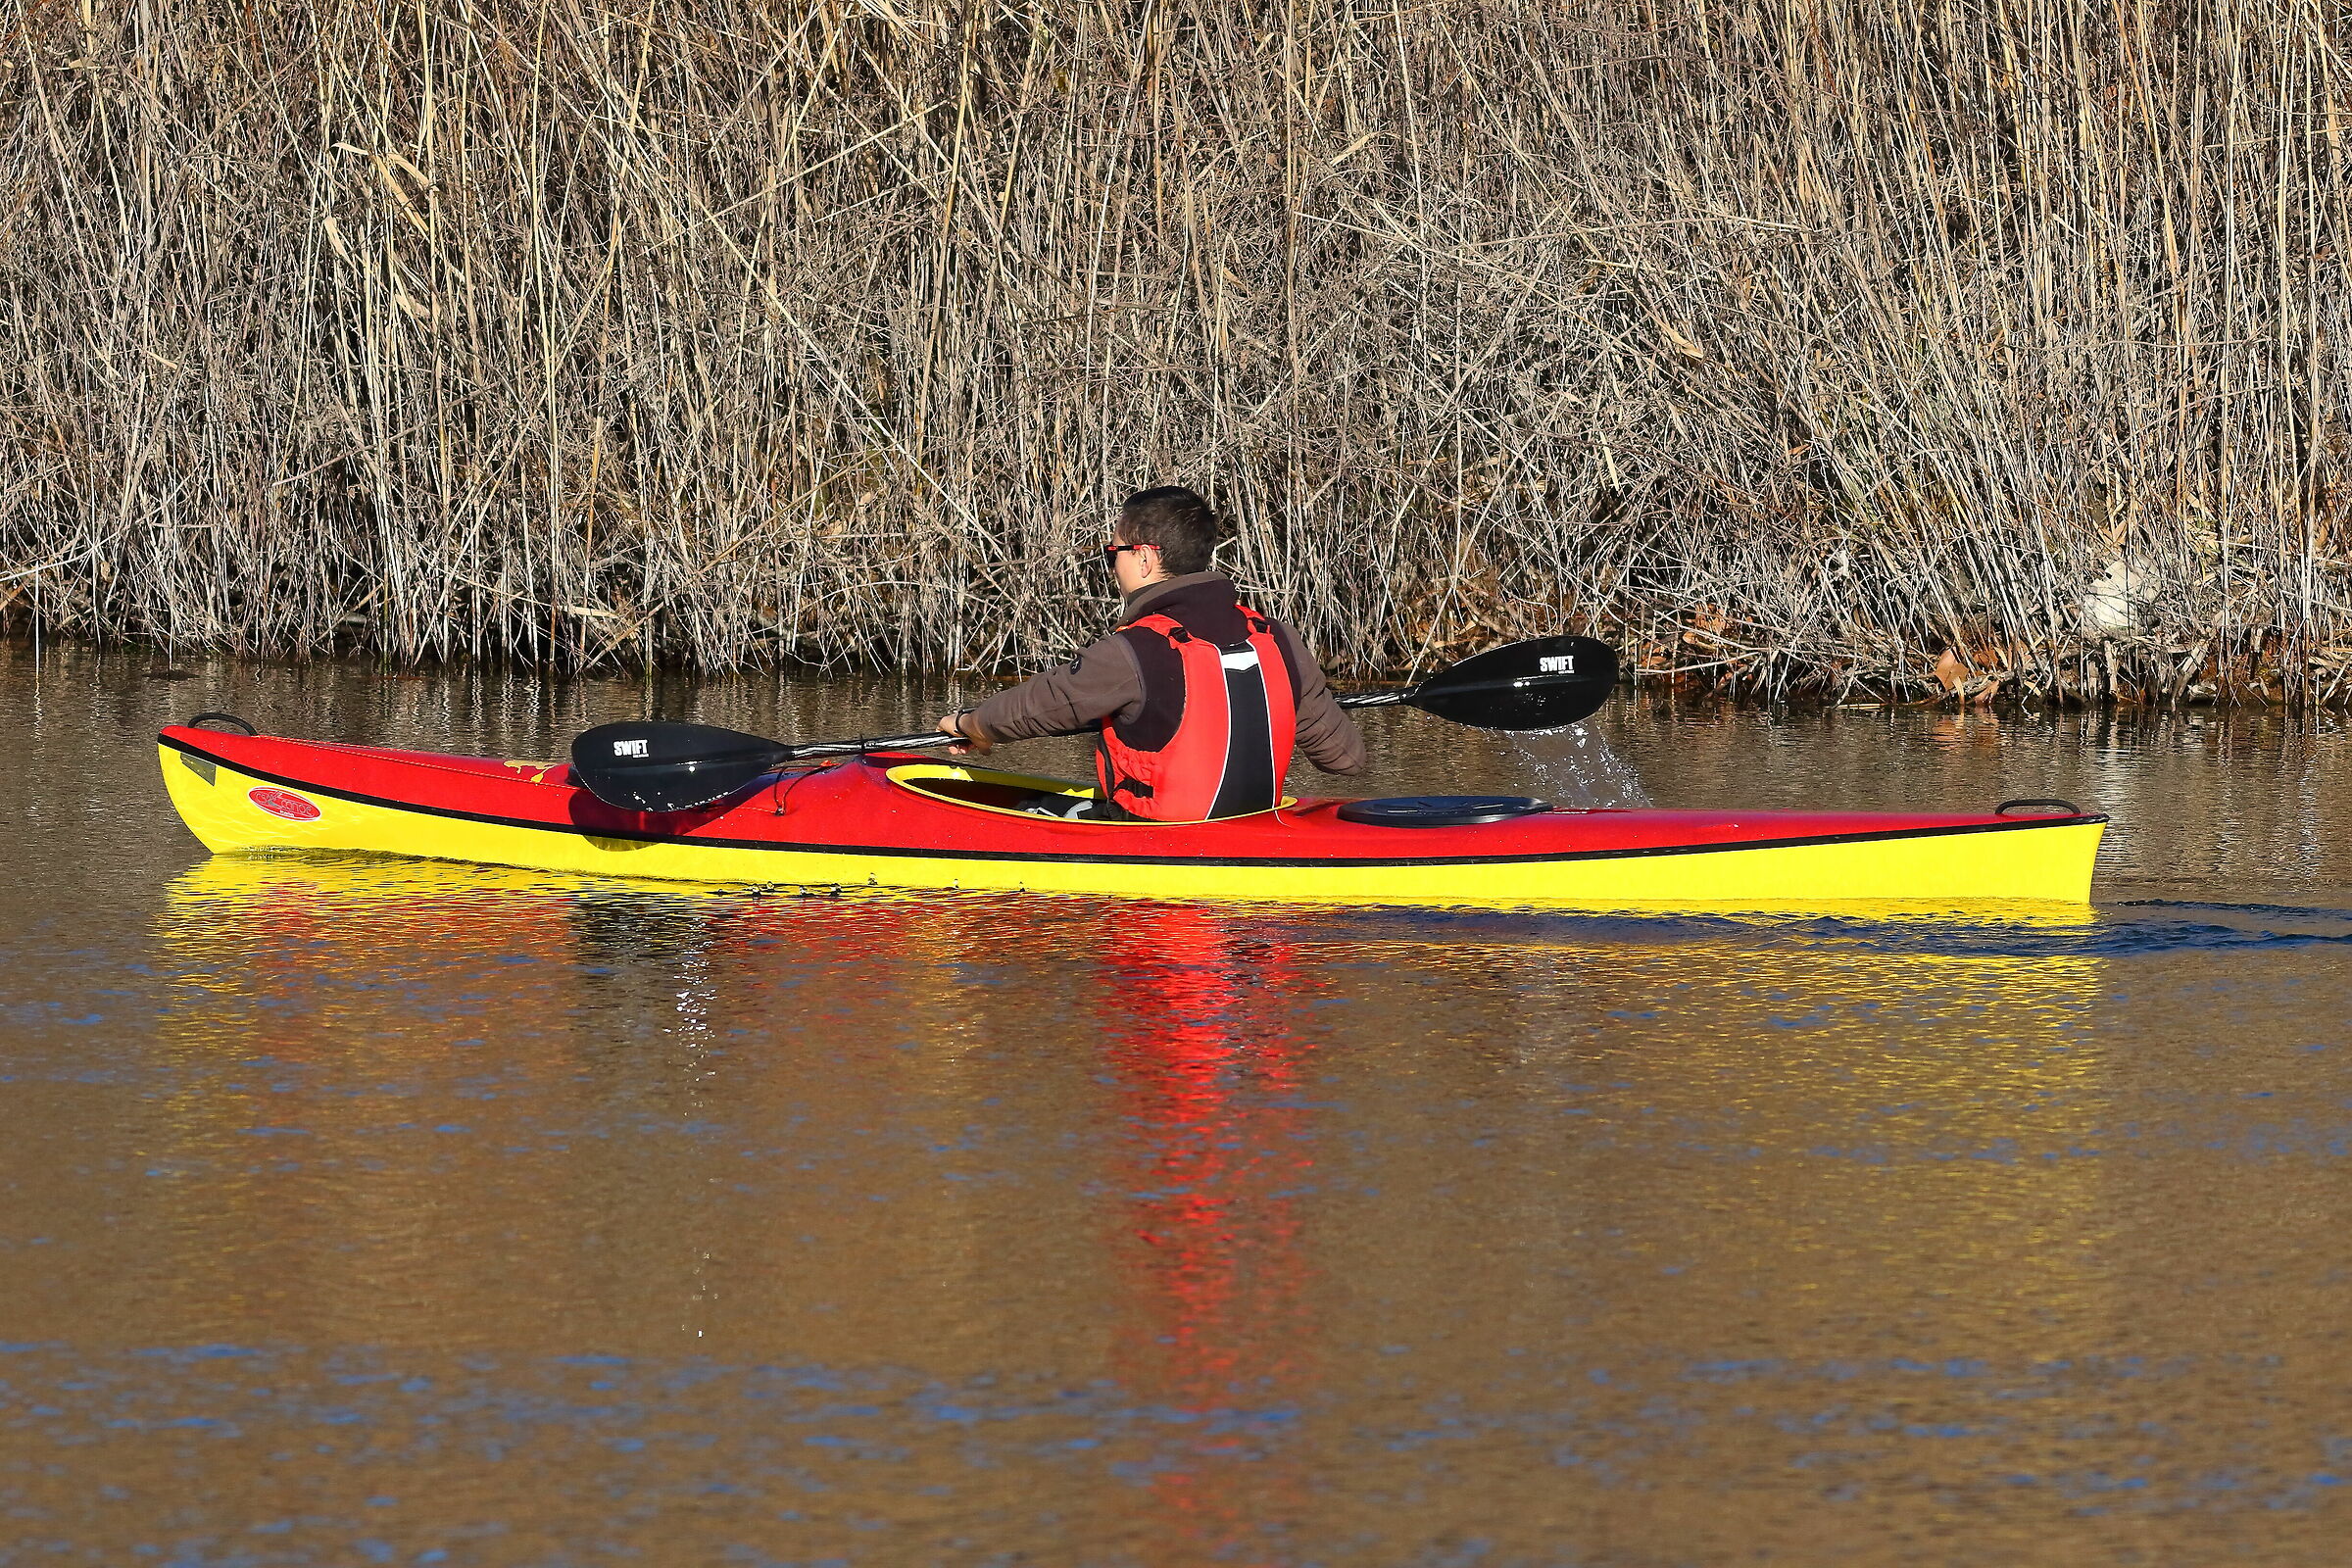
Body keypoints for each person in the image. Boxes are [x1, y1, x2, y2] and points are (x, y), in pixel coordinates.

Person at [934, 486, 1365, 820]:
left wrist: (973, 724)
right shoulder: (1281, 640)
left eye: (1113, 552)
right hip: (1250, 827)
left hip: (1156, 842)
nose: (1112, 564)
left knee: (1031, 808)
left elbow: (1046, 701)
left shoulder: (1133, 652)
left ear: (1143, 559)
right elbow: (1346, 759)